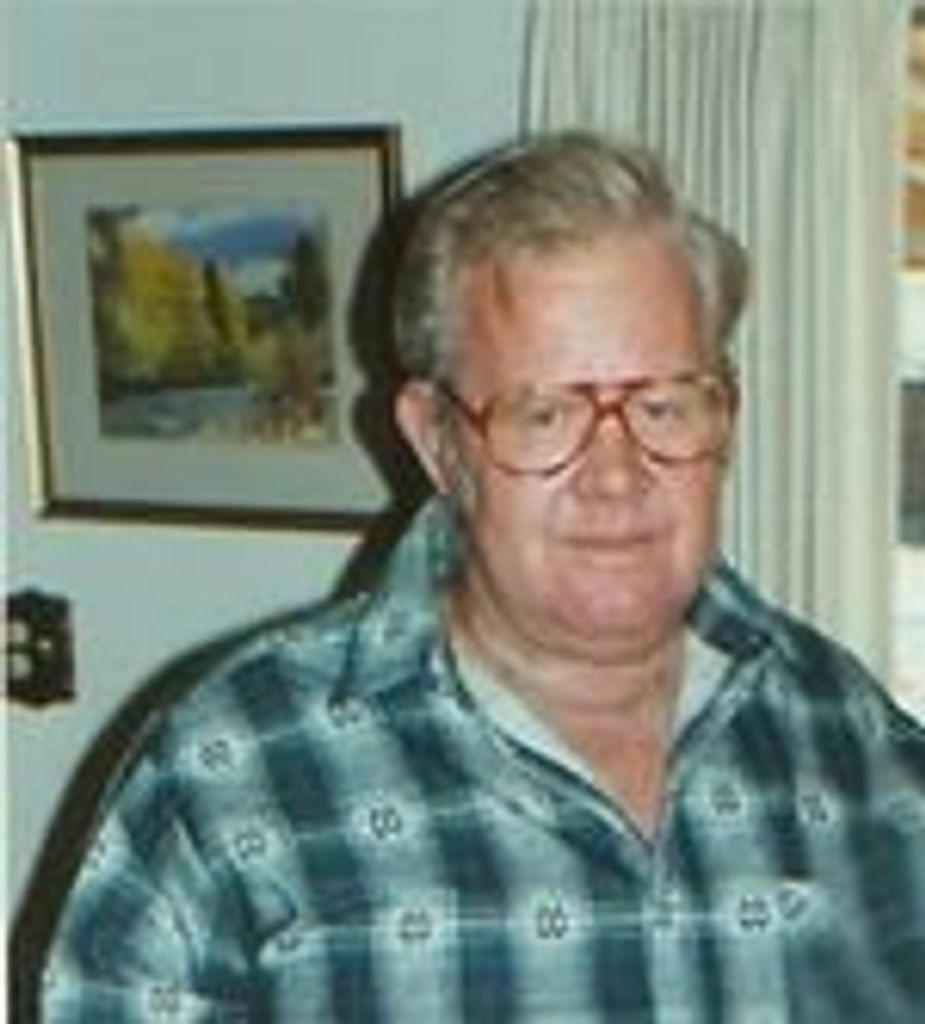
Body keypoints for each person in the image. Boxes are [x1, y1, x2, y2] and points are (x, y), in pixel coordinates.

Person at [40, 132, 925, 1022]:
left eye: (662, 406)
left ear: (722, 418)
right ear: (437, 442)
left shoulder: (850, 738)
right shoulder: (230, 774)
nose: (615, 475)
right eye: (543, 416)